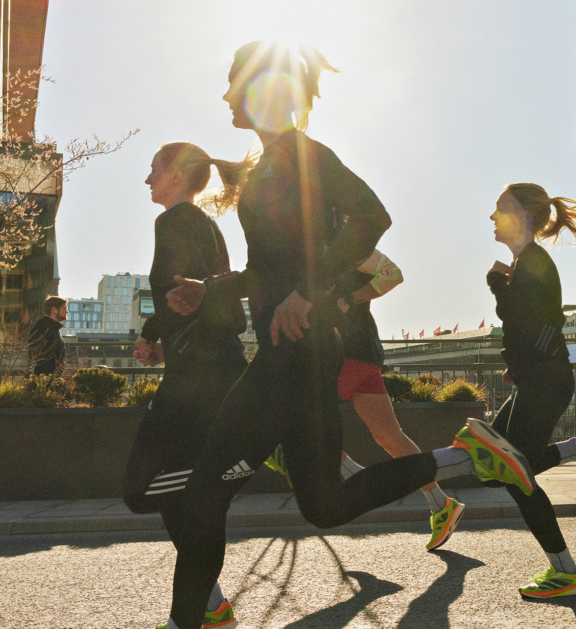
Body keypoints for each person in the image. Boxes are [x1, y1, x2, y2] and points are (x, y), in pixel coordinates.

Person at [155, 42, 533, 629]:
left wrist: (308, 292)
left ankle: (195, 621)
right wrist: (213, 290)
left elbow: (373, 216)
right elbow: (273, 266)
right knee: (325, 504)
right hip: (299, 352)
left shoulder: (304, 155)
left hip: (297, 351)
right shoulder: (271, 163)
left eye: (233, 83)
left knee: (204, 492)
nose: (225, 94)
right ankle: (465, 456)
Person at [124, 142, 252, 629]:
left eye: (153, 169)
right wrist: (158, 336)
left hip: (201, 378)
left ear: (176, 174)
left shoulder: (174, 221)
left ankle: (244, 461)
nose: (147, 179)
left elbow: (202, 300)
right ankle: (209, 605)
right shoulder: (204, 225)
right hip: (202, 371)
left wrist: (165, 334)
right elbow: (196, 296)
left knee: (144, 488)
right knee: (175, 496)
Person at [486, 182, 576, 597]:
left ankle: (566, 571)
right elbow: (537, 328)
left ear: (521, 216)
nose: (492, 217)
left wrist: (497, 287)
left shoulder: (533, 263)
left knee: (512, 472)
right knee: (492, 466)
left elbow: (535, 323)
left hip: (547, 381)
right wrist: (520, 367)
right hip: (540, 378)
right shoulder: (528, 262)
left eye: (499, 209)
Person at [331, 250, 465, 551]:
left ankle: (358, 480)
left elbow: (393, 274)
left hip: (346, 352)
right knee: (388, 436)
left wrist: (348, 300)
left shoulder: (347, 244)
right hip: (361, 353)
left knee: (303, 417)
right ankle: (441, 504)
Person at [27, 296, 67, 376]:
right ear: (54, 310)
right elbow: (35, 356)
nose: (67, 311)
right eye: (64, 309)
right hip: (44, 379)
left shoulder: (54, 328)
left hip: (50, 378)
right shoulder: (42, 328)